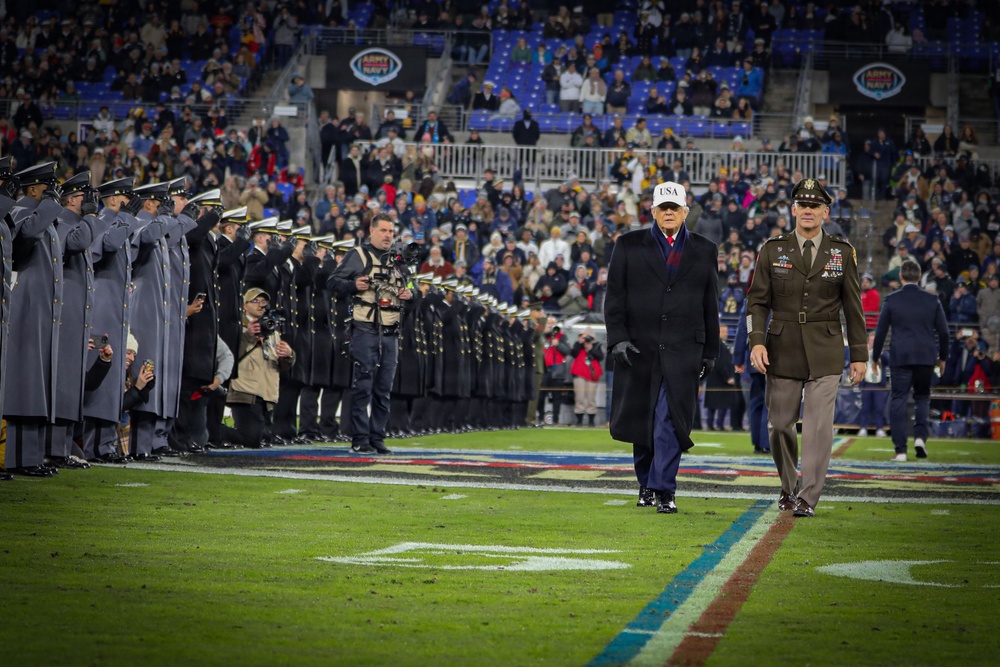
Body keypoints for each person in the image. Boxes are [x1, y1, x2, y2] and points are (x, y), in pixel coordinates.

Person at [747, 177, 867, 518]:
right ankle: (788, 487)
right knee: (780, 425)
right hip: (781, 347)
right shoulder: (772, 249)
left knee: (817, 427)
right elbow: (756, 303)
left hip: (826, 349)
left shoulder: (842, 253)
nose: (808, 211)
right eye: (803, 205)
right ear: (793, 209)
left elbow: (853, 306)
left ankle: (808, 496)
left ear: (825, 212)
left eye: (815, 206)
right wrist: (756, 341)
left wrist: (859, 353)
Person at [606, 182, 720, 514]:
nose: (668, 212)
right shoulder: (627, 245)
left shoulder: (705, 249)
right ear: (653, 211)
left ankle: (664, 488)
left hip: (684, 350)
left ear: (686, 211)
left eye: (675, 207)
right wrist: (618, 339)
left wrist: (710, 350)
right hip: (639, 348)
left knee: (670, 420)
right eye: (663, 207)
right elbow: (614, 298)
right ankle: (646, 483)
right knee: (643, 421)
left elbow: (709, 304)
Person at [328, 213, 414, 454]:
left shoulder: (397, 259)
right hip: (365, 328)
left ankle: (377, 437)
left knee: (384, 387)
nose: (388, 235)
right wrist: (353, 285)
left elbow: (411, 286)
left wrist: (410, 293)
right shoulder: (358, 255)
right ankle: (360, 438)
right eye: (384, 231)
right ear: (372, 232)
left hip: (390, 331)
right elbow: (333, 282)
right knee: (364, 384)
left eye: (391, 231)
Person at [871, 260, 950, 462]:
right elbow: (944, 332)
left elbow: (880, 333)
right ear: (919, 275)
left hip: (901, 356)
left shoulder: (892, 299)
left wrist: (875, 357)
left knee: (898, 399)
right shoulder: (932, 300)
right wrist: (942, 358)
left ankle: (901, 450)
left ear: (901, 277)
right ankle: (920, 439)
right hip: (926, 356)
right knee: (923, 398)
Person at [222, 288, 296, 448]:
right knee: (251, 440)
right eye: (255, 301)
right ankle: (212, 430)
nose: (261, 305)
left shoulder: (272, 330)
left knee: (264, 439)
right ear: (244, 305)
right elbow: (229, 357)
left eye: (263, 302)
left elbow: (281, 364)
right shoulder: (236, 327)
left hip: (267, 392)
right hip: (245, 390)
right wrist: (249, 336)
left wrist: (289, 355)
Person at [569, 328, 604, 427]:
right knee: (579, 397)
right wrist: (580, 343)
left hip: (592, 375)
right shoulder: (578, 345)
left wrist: (590, 348)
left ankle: (591, 421)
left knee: (591, 398)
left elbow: (600, 357)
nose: (586, 339)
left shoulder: (597, 346)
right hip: (579, 374)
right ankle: (579, 420)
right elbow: (573, 353)